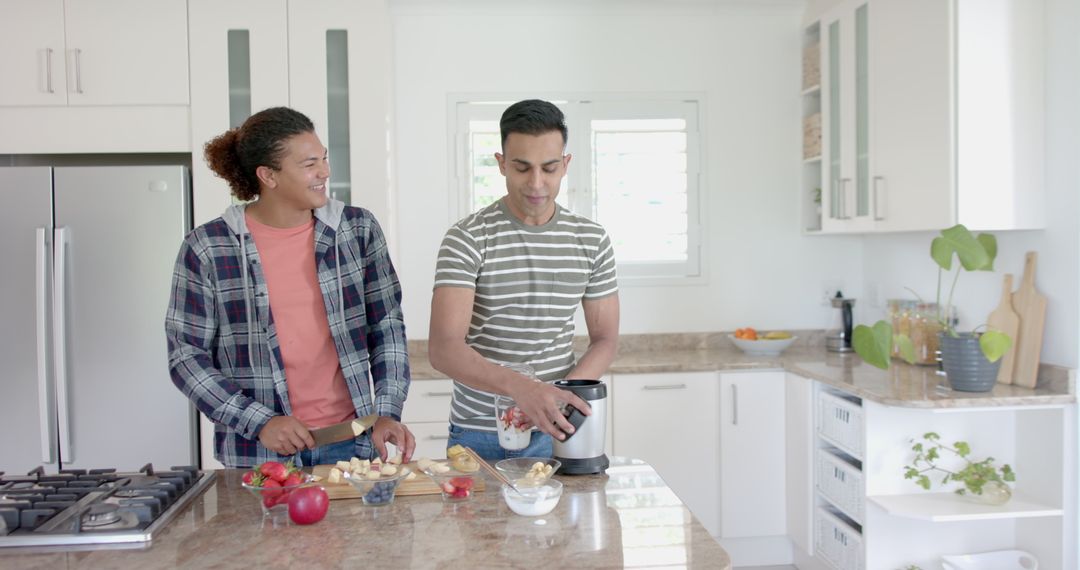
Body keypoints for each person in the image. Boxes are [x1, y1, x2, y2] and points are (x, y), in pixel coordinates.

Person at [165, 106, 414, 468]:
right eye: (310, 164)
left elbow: (387, 327)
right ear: (268, 175)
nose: (325, 173)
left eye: (324, 159)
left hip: (353, 450)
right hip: (259, 456)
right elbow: (186, 355)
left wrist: (389, 410)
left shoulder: (357, 230)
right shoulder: (208, 247)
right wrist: (259, 421)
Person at [429, 99, 620, 461]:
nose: (536, 183)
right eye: (521, 168)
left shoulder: (591, 240)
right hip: (480, 434)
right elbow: (443, 348)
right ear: (501, 163)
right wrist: (524, 391)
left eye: (549, 168)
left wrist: (558, 399)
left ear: (566, 165)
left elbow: (605, 339)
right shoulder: (468, 238)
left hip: (561, 428)